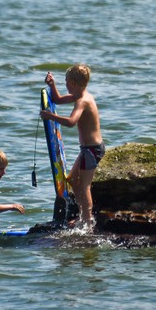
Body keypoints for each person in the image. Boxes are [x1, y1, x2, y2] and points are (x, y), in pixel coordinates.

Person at [40, 64, 104, 228]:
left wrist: (50, 116)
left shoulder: (82, 101)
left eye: (66, 82)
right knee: (72, 181)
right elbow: (58, 100)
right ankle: (83, 215)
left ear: (73, 83)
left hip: (92, 150)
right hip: (87, 150)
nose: (66, 85)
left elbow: (71, 122)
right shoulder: (80, 95)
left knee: (84, 185)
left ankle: (87, 221)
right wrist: (52, 86)